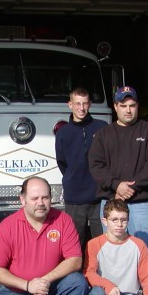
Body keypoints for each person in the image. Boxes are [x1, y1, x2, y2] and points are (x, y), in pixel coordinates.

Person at [88, 86, 148, 295]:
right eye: (123, 106)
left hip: (140, 203)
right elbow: (95, 165)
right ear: (115, 107)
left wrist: (133, 186)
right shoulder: (103, 135)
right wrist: (116, 185)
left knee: (146, 253)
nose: (128, 110)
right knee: (111, 254)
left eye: (132, 106)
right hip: (111, 202)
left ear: (137, 106)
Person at [55, 87, 108, 250]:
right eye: (77, 104)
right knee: (74, 243)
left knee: (103, 242)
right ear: (70, 104)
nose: (81, 108)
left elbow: (108, 157)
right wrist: (73, 177)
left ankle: (101, 274)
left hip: (99, 196)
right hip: (75, 198)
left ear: (90, 104)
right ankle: (76, 275)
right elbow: (62, 162)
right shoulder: (63, 132)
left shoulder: (102, 127)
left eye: (85, 103)